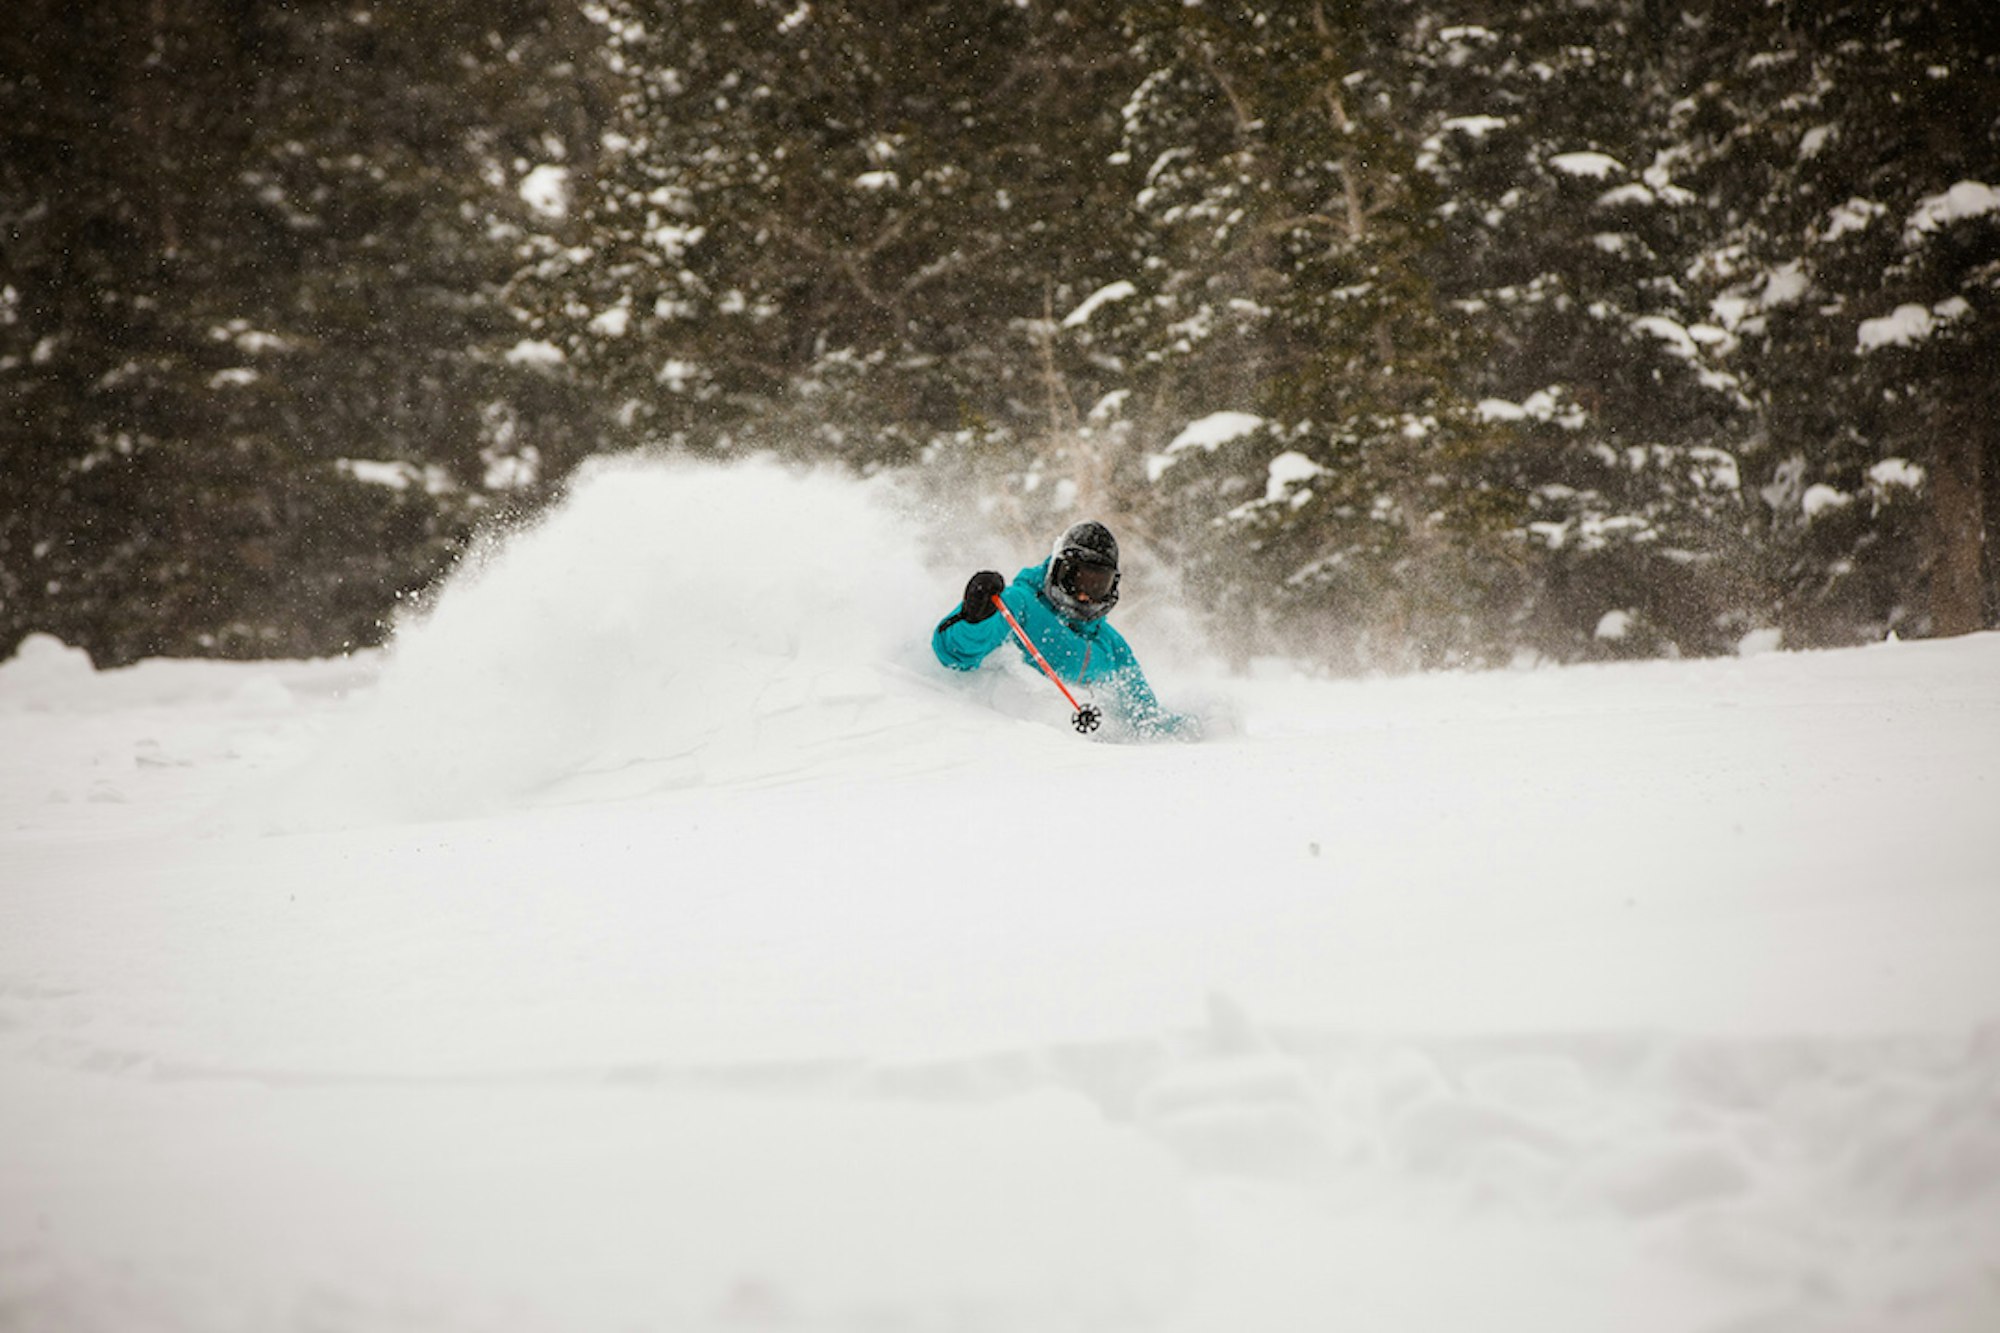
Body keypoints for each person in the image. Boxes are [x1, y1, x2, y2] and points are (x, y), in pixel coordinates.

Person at [932, 520, 1196, 739]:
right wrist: (976, 616)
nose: (1083, 596)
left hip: (1088, 764)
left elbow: (1145, 715)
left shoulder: (1111, 646)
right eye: (1075, 580)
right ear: (1057, 570)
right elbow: (952, 653)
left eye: (1097, 586)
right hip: (1015, 739)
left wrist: (1192, 732)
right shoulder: (1020, 603)